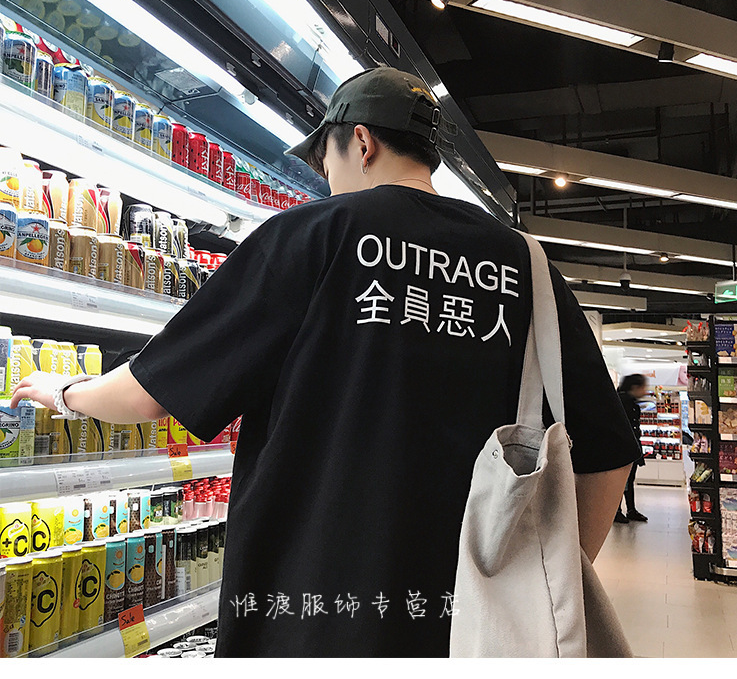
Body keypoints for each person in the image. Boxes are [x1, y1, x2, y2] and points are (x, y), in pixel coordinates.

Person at [11, 67, 643, 658]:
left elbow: (149, 393)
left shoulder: (310, 235)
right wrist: (545, 581)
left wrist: (64, 391)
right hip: (473, 624)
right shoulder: (528, 266)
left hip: (308, 611)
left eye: (325, 161)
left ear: (361, 143)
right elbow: (608, 452)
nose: (326, 180)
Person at [614, 374, 649, 524]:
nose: (645, 391)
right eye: (643, 387)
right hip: (623, 448)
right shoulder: (623, 403)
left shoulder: (627, 401)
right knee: (623, 481)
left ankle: (630, 509)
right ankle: (617, 511)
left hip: (629, 447)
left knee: (628, 479)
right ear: (635, 387)